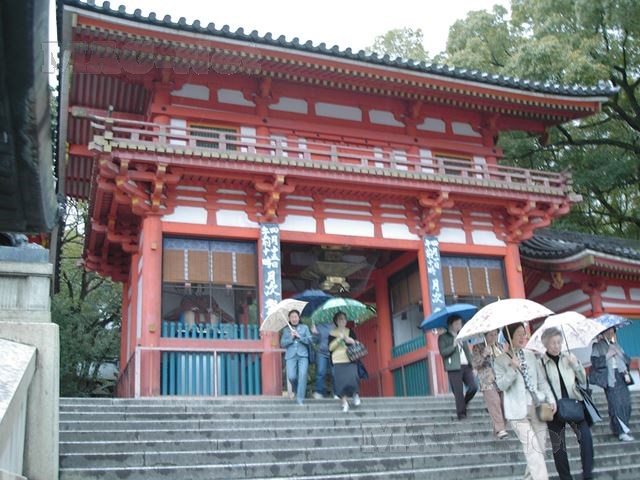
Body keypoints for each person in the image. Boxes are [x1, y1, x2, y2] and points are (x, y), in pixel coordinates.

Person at [494, 322, 556, 480]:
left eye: (524, 333)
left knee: (540, 449)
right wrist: (512, 368)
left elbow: (541, 381)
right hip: (517, 412)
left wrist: (551, 398)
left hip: (537, 406)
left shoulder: (530, 355)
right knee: (532, 448)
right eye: (519, 334)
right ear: (510, 336)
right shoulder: (500, 360)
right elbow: (501, 385)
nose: (523, 337)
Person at [541, 327, 593, 480]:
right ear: (545, 344)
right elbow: (541, 385)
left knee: (586, 438)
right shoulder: (541, 363)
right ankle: (565, 478)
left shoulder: (568, 357)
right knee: (559, 447)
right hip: (554, 408)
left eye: (559, 342)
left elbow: (583, 380)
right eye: (553, 343)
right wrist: (550, 400)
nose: (557, 346)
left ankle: (587, 474)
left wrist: (575, 364)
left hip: (574, 404)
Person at [589, 327, 634, 441]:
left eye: (612, 331)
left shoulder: (616, 345)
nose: (610, 333)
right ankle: (621, 431)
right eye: (607, 331)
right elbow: (595, 363)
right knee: (615, 404)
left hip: (622, 376)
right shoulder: (597, 346)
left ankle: (618, 428)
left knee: (626, 403)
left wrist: (618, 353)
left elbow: (627, 361)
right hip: (610, 378)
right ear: (603, 333)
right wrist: (608, 354)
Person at [438, 314, 477, 420]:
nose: (459, 325)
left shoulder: (462, 336)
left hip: (466, 366)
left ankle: (463, 403)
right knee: (458, 392)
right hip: (454, 367)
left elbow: (467, 352)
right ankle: (461, 414)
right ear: (450, 325)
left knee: (473, 387)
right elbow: (443, 352)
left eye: (460, 323)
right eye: (457, 323)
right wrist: (454, 345)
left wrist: (473, 366)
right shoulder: (443, 337)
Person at [471, 329, 509, 439]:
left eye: (495, 334)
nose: (494, 337)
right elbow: (475, 364)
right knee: (495, 402)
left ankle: (498, 431)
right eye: (491, 335)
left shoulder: (500, 346)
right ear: (485, 336)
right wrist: (484, 354)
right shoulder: (478, 347)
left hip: (501, 379)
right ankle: (500, 429)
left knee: (504, 405)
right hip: (487, 380)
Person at [328, 311, 361, 413]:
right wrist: (339, 339)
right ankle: (345, 403)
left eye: (344, 318)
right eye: (340, 319)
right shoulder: (332, 333)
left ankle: (355, 394)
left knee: (353, 377)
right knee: (341, 383)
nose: (343, 321)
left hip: (350, 358)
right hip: (337, 360)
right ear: (336, 321)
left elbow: (357, 343)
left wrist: (350, 340)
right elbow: (330, 348)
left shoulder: (350, 331)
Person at [280, 309, 312, 405]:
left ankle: (300, 399)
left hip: (303, 355)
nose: (294, 319)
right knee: (291, 377)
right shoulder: (286, 330)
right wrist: (291, 338)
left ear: (299, 317)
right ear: (289, 319)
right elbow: (282, 343)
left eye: (295, 316)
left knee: (302, 375)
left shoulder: (305, 327)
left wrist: (299, 336)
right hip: (291, 356)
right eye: (292, 317)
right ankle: (298, 389)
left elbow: (310, 340)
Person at [311, 322, 337, 399]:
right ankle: (319, 392)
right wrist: (314, 333)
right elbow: (315, 341)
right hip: (321, 353)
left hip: (333, 353)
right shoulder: (318, 326)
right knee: (321, 372)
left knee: (334, 373)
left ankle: (337, 393)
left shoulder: (335, 325)